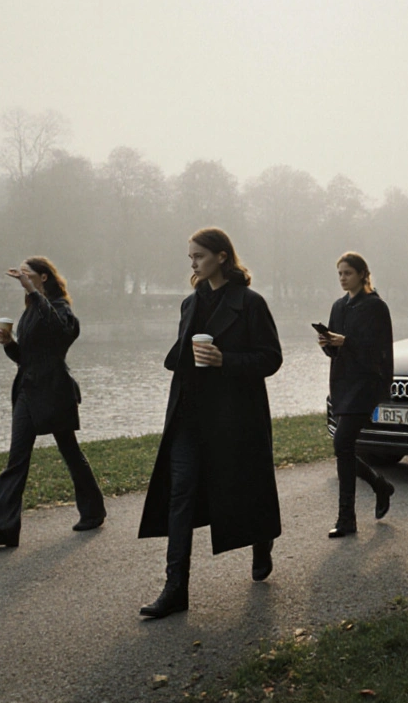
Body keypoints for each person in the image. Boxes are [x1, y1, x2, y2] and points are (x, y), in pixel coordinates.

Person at [137, 228, 284, 619]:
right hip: (189, 414)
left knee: (247, 487)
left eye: (199, 256)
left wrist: (225, 360)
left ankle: (261, 540)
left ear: (222, 256)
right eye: (190, 257)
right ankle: (175, 588)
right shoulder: (190, 303)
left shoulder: (250, 302)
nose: (193, 263)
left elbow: (271, 358)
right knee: (180, 494)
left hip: (234, 415)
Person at [0, 257, 106, 547]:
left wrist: (32, 292)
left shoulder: (61, 309)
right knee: (16, 459)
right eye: (21, 275)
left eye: (27, 275)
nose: (22, 279)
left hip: (54, 392)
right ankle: (3, 528)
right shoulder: (30, 311)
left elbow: (59, 332)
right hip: (27, 391)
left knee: (70, 452)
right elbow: (27, 358)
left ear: (44, 277)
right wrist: (10, 344)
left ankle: (93, 511)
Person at [318, 252, 395, 538]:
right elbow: (336, 351)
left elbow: (378, 351)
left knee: (342, 443)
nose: (342, 278)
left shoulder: (376, 307)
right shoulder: (338, 306)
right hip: (342, 384)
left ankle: (346, 518)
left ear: (362, 274)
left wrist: (346, 343)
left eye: (347, 273)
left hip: (366, 384)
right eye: (339, 273)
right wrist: (328, 343)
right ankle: (380, 485)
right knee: (344, 448)